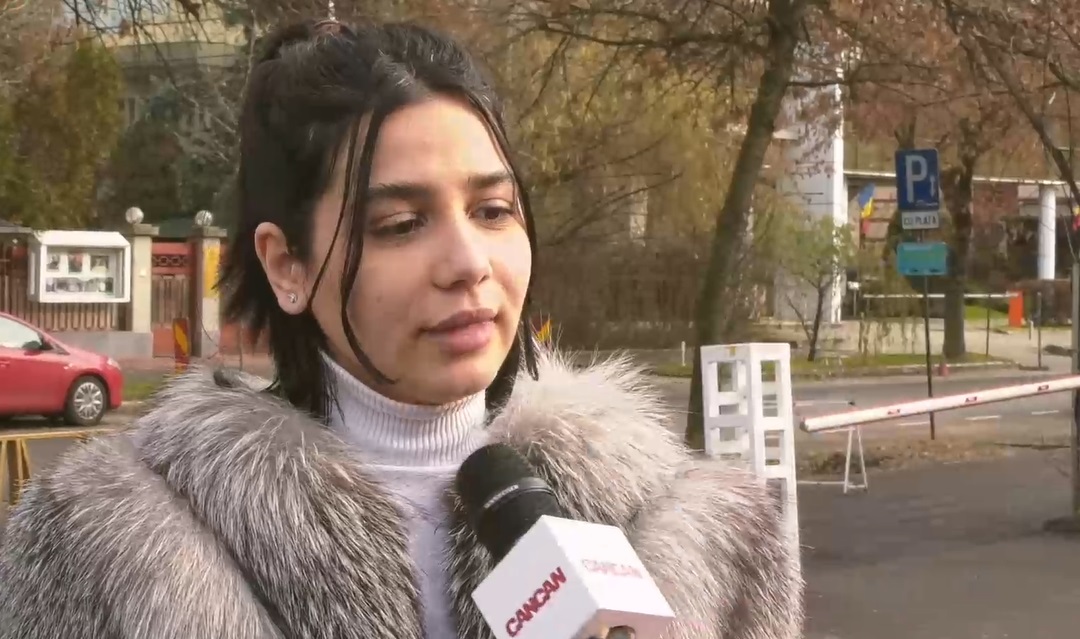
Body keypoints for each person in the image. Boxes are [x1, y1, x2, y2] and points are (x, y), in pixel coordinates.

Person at [0, 19, 803, 639]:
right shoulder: (104, 543)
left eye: (494, 210)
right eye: (401, 224)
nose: (469, 262)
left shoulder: (696, 529)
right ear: (286, 264)